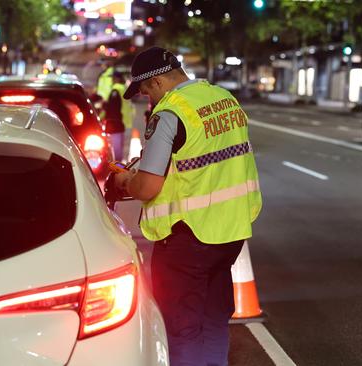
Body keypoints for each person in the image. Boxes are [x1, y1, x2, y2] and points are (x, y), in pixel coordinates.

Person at [113, 46, 262, 366]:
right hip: (230, 233)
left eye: (143, 92)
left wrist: (126, 180)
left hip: (187, 237)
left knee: (182, 329)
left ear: (154, 84)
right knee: (213, 320)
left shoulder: (170, 113)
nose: (147, 100)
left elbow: (149, 186)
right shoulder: (223, 99)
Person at [103, 71, 135, 162]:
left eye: (113, 78)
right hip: (125, 122)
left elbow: (113, 108)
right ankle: (122, 164)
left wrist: (107, 120)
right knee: (122, 147)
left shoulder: (116, 90)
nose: (112, 80)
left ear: (117, 79)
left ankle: (117, 167)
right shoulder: (124, 88)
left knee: (115, 148)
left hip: (117, 123)